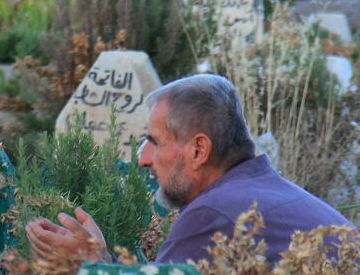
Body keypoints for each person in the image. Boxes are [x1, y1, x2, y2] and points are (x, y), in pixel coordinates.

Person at [26, 74, 355, 265]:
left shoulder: (214, 213)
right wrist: (102, 260)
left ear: (198, 150)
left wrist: (92, 266)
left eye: (155, 141)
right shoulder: (261, 192)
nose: (143, 158)